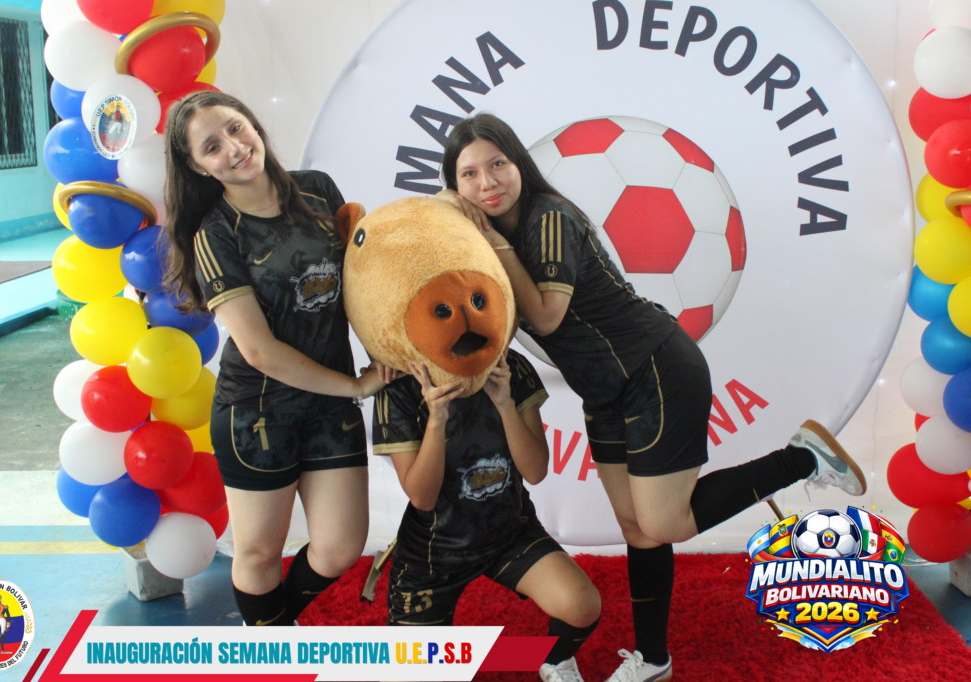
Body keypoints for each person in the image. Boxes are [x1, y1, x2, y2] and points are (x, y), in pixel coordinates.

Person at [437, 113, 867, 682]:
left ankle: (803, 458)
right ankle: (653, 659)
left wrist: (491, 240)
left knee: (665, 523)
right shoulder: (494, 239)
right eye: (469, 174)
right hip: (604, 391)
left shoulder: (548, 218)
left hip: (655, 367)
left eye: (497, 164)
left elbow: (546, 315)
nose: (487, 182)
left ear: (519, 163)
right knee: (636, 528)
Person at [162, 91, 391, 628]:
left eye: (235, 128)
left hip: (327, 405)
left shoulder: (318, 190)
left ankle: (271, 629)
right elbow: (259, 350)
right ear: (197, 167)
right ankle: (270, 642)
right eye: (212, 147)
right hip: (258, 411)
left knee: (339, 547)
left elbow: (362, 283)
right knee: (260, 552)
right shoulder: (214, 234)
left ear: (253, 124)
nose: (234, 148)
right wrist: (355, 387)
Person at [375, 351, 601, 682]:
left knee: (581, 604)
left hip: (509, 532)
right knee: (413, 672)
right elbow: (422, 498)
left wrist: (505, 404)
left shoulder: (509, 366)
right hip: (434, 552)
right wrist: (436, 420)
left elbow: (536, 471)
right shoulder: (401, 384)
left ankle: (555, 661)